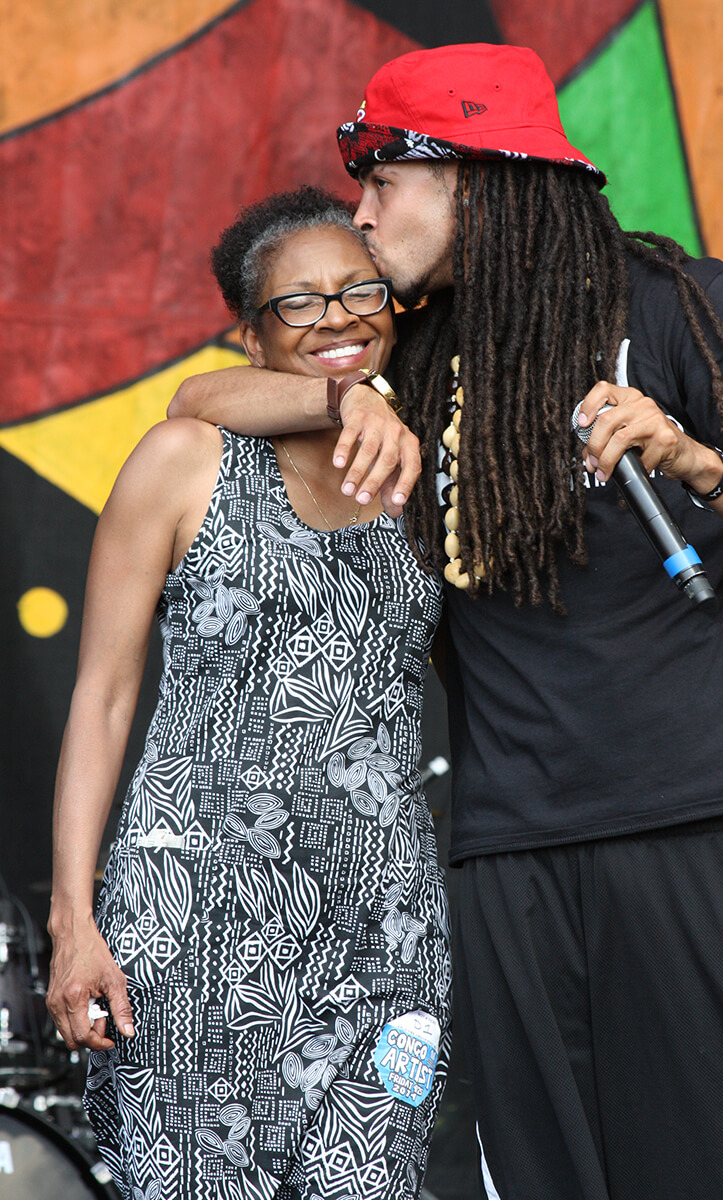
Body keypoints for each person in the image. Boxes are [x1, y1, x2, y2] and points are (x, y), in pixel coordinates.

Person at [168, 44, 723, 1200]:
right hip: (506, 838)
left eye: (382, 183)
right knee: (547, 1175)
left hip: (694, 808)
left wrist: (690, 458)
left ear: (473, 176)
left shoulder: (674, 299)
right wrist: (343, 396)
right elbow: (197, 398)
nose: (361, 217)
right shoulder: (413, 348)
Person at [46, 186, 451, 1200]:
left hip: (385, 929)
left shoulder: (422, 476)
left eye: (359, 292)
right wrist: (72, 922)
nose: (336, 319)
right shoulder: (186, 462)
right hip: (192, 921)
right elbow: (101, 697)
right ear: (251, 335)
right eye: (298, 303)